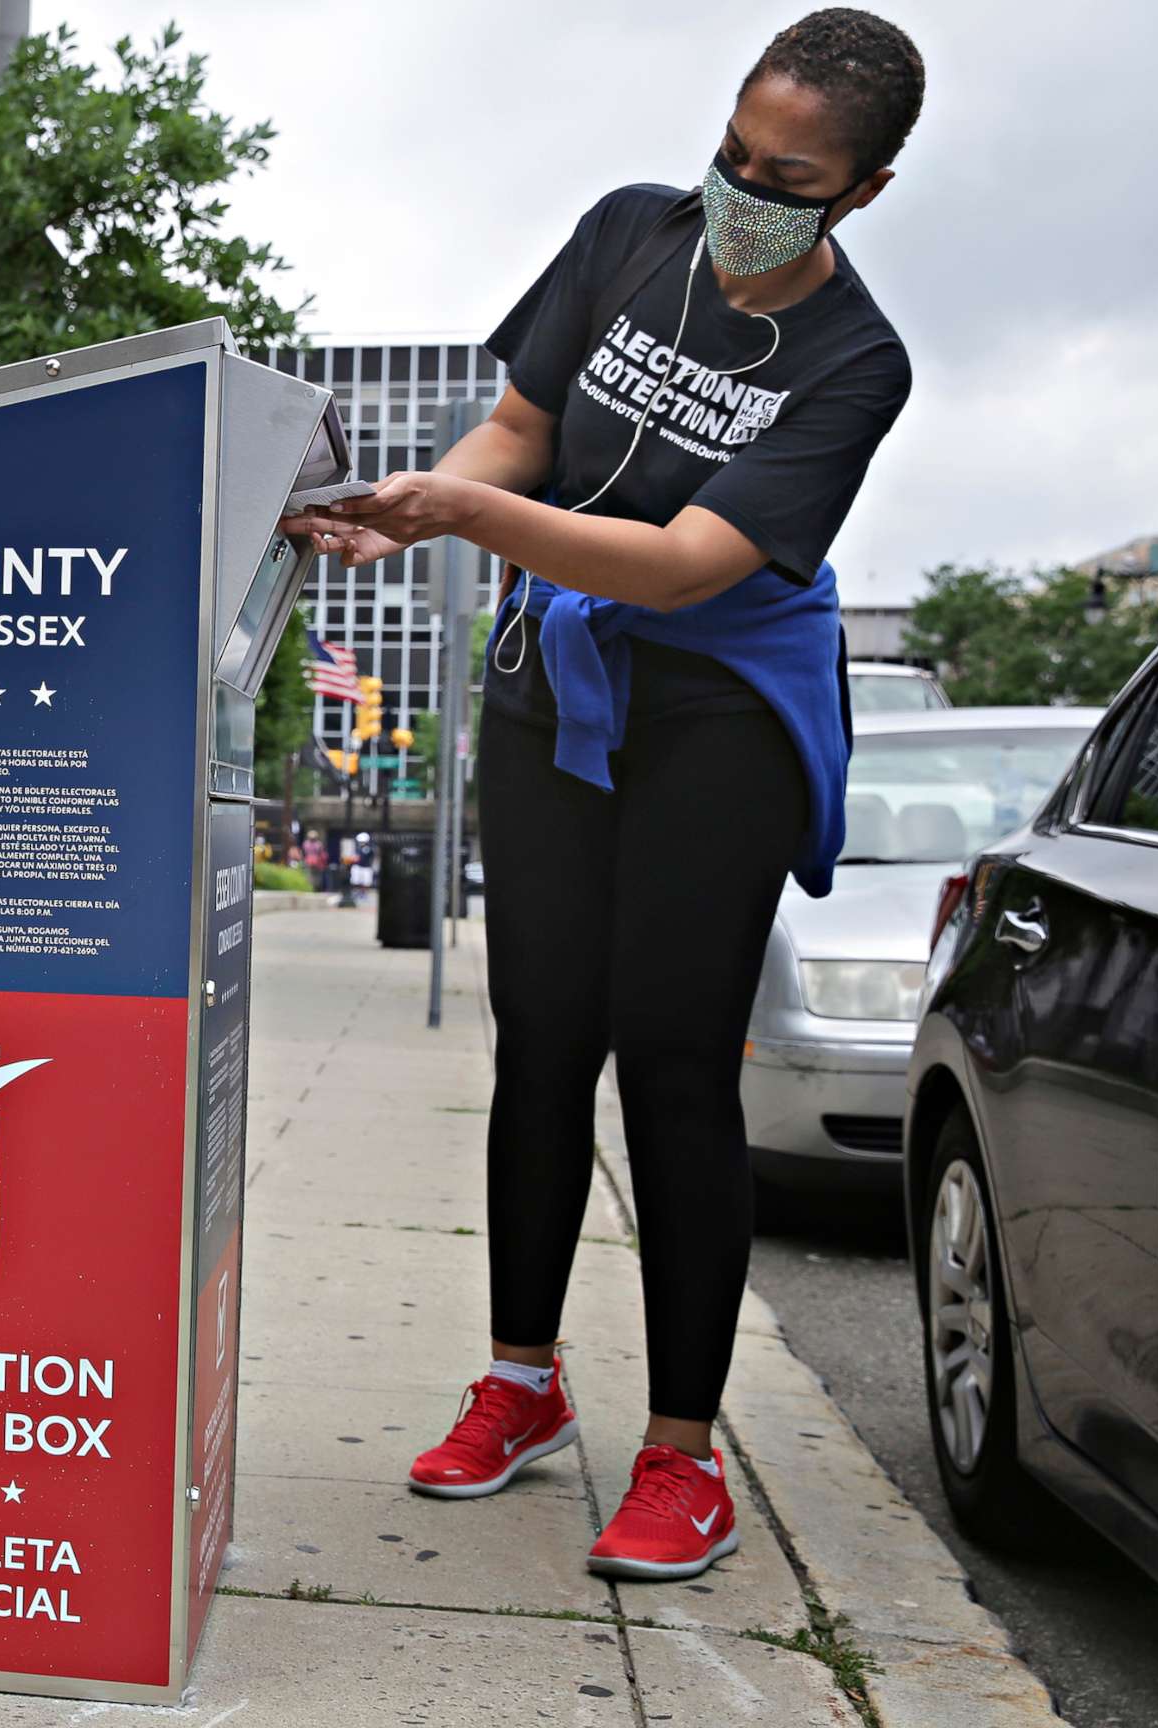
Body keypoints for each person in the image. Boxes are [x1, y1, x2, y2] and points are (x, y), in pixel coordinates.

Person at [280, 9, 920, 1581]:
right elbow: (520, 431)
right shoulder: (632, 237)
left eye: (790, 178)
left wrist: (459, 520)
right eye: (733, 153)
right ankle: (522, 1386)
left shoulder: (857, 361)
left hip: (718, 708)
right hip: (550, 680)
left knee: (676, 1066)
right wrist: (411, 503)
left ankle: (683, 1453)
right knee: (543, 1043)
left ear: (865, 190)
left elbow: (689, 566)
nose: (745, 192)